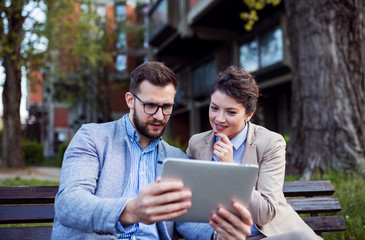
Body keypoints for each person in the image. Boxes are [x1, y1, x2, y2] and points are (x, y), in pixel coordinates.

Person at [51, 61, 253, 240]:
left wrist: (218, 236)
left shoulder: (176, 158)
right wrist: (129, 211)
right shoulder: (92, 137)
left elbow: (184, 219)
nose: (159, 116)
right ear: (130, 100)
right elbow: (69, 203)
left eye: (167, 107)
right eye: (150, 106)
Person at [186, 66, 322, 240]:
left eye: (231, 112)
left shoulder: (270, 143)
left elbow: (265, 213)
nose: (219, 119)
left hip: (266, 235)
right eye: (214, 108)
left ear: (249, 114)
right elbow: (188, 204)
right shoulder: (197, 144)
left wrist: (231, 169)